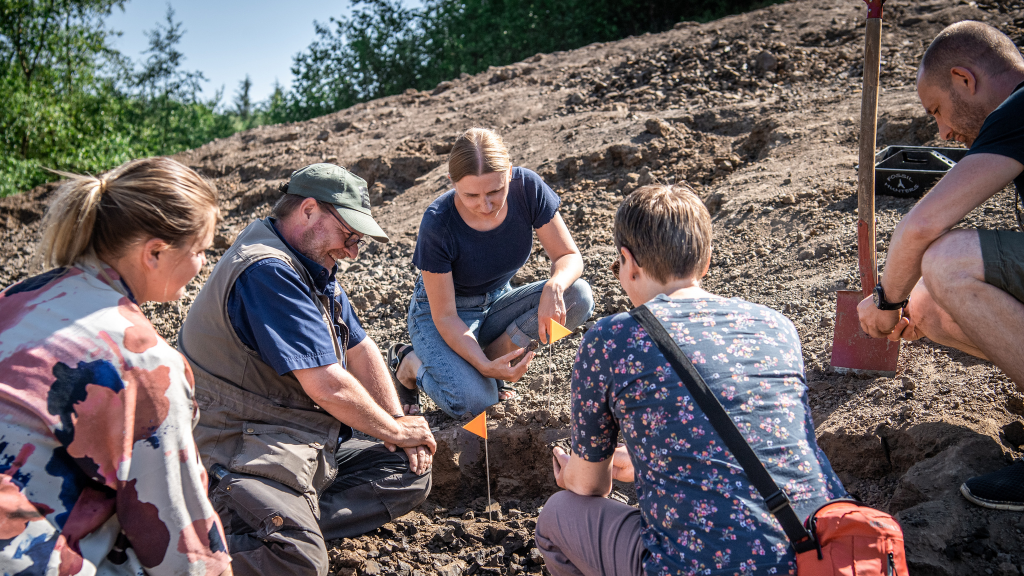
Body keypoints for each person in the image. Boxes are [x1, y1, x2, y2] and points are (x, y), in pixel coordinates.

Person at [536, 184, 846, 576]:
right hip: (821, 553)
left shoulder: (611, 339)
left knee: (558, 514)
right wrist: (653, 459)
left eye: (617, 268)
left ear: (628, 261)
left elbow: (590, 489)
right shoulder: (776, 326)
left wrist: (571, 474)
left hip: (699, 565)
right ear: (706, 262)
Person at [178, 163, 435, 576]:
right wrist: (395, 431)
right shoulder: (267, 270)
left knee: (407, 471)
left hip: (292, 438)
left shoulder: (310, 264)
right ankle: (170, 556)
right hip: (233, 448)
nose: (352, 251)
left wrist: (399, 422)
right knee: (298, 561)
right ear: (309, 210)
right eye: (349, 235)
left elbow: (360, 347)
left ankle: (276, 524)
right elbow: (327, 387)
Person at [0, 158, 232, 576]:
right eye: (199, 250)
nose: (202, 267)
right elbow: (180, 535)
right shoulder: (143, 360)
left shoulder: (18, 299)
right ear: (155, 252)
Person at [856, 21, 1024, 511]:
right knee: (928, 303)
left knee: (947, 260)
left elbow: (922, 226)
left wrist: (886, 302)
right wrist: (907, 300)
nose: (943, 132)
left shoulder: (1017, 110)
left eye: (938, 110)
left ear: (964, 79)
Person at [389, 127, 595, 418]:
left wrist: (555, 286)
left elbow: (568, 256)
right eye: (471, 194)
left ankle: (483, 367)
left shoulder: (528, 189)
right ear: (452, 182)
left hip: (499, 302)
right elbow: (445, 316)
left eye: (496, 191)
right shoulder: (438, 223)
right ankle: (411, 364)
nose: (485, 206)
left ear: (510, 174)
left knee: (579, 296)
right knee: (476, 404)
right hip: (443, 316)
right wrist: (484, 368)